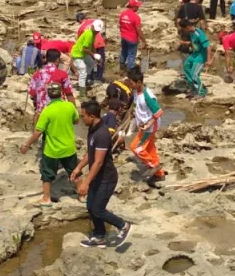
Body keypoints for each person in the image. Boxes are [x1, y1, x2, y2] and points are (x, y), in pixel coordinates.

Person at [71, 100, 133, 248]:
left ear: (92, 116)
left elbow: (98, 162)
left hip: (107, 178)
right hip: (97, 177)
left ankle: (123, 226)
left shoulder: (102, 134)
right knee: (91, 207)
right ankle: (99, 236)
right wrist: (78, 168)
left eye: (83, 116)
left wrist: (85, 183)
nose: (81, 118)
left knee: (98, 209)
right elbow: (90, 153)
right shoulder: (92, 130)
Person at [21, 83, 80, 207]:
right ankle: (83, 194)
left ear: (48, 95)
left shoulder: (47, 111)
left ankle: (46, 198)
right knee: (74, 171)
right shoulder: (69, 106)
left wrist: (27, 145)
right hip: (69, 147)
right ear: (61, 93)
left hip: (52, 149)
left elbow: (38, 132)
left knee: (47, 174)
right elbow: (76, 120)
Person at [128, 68, 167, 183]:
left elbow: (159, 112)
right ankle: (160, 175)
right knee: (150, 149)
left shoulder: (147, 96)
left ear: (139, 82)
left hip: (150, 127)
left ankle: (154, 166)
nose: (131, 85)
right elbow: (136, 104)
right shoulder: (136, 91)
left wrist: (148, 124)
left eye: (132, 83)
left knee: (136, 148)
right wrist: (132, 112)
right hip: (143, 125)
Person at [29, 50, 75, 122]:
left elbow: (32, 94)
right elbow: (69, 94)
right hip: (58, 113)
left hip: (42, 113)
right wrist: (73, 112)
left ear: (46, 59)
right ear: (57, 60)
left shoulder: (36, 75)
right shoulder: (62, 74)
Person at [70, 19, 102, 98]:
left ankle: (84, 81)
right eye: (96, 30)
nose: (97, 32)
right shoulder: (89, 34)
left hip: (83, 53)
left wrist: (95, 55)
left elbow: (92, 46)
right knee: (83, 71)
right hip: (77, 54)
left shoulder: (93, 34)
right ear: (92, 27)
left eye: (98, 31)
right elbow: (84, 48)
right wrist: (93, 55)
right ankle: (82, 94)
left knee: (91, 63)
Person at [180, 19, 211, 99]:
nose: (184, 31)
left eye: (184, 29)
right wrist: (186, 43)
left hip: (200, 56)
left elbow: (208, 46)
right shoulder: (191, 33)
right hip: (194, 54)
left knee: (194, 74)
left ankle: (201, 93)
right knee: (186, 66)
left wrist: (208, 60)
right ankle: (193, 89)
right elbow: (195, 43)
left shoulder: (199, 33)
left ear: (187, 27)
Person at [77, 12, 108, 83]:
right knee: (100, 59)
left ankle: (90, 78)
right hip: (100, 43)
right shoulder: (93, 21)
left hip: (90, 45)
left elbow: (80, 41)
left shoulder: (81, 28)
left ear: (79, 20)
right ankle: (98, 77)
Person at [118, 0, 147, 72]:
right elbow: (139, 30)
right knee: (131, 54)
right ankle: (130, 69)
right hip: (132, 39)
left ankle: (122, 65)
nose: (138, 7)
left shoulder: (122, 14)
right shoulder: (136, 17)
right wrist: (143, 40)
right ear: (133, 7)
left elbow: (120, 25)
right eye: (137, 6)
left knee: (124, 51)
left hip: (124, 37)